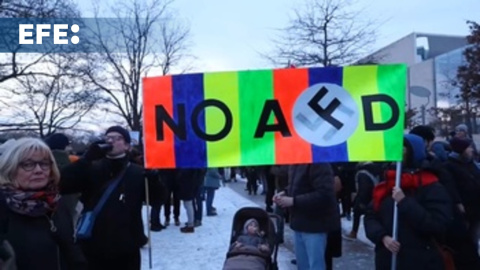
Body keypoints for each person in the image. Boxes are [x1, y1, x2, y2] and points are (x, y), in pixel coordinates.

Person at [60, 126, 146, 270]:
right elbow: (62, 184)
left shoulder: (137, 172)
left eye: (118, 138)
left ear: (127, 146)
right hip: (93, 243)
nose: (111, 141)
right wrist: (86, 159)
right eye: (108, 138)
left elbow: (157, 200)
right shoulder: (91, 167)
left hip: (126, 246)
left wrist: (155, 180)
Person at [364, 134, 453, 270]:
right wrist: (382, 237)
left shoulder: (431, 185)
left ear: (413, 152)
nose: (397, 152)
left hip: (421, 261)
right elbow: (371, 216)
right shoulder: (387, 184)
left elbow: (437, 225)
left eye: (403, 148)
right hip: (388, 260)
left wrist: (405, 202)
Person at [0, 138, 86, 270]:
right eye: (28, 164)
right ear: (10, 168)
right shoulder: (4, 206)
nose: (39, 170)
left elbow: (71, 250)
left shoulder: (56, 202)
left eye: (45, 164)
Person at [274, 163, 339, 270]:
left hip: (316, 225)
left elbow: (325, 194)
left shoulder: (318, 163)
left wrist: (293, 201)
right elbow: (296, 186)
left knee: (315, 266)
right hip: (300, 223)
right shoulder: (296, 162)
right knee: (303, 266)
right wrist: (285, 193)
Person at [443, 137, 480, 269]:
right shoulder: (449, 165)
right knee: (466, 240)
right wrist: (458, 203)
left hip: (476, 208)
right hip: (464, 210)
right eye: (468, 148)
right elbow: (451, 186)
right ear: (462, 150)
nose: (471, 150)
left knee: (474, 237)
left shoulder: (470, 163)